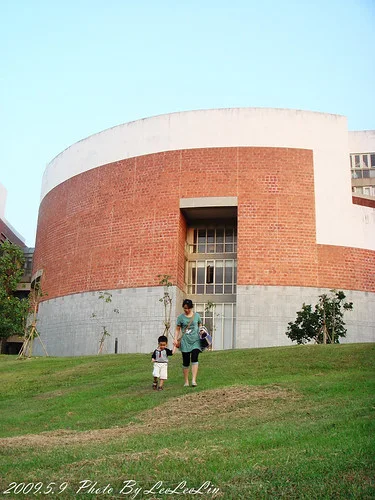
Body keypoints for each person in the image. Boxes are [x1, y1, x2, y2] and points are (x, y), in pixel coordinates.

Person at [174, 299, 202, 387]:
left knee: (194, 357)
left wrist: (201, 331)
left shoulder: (197, 316)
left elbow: (200, 325)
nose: (186, 310)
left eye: (188, 308)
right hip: (185, 341)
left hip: (195, 340)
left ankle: (194, 380)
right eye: (185, 308)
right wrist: (175, 339)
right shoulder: (180, 318)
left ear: (191, 307)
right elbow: (177, 329)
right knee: (186, 361)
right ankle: (186, 381)